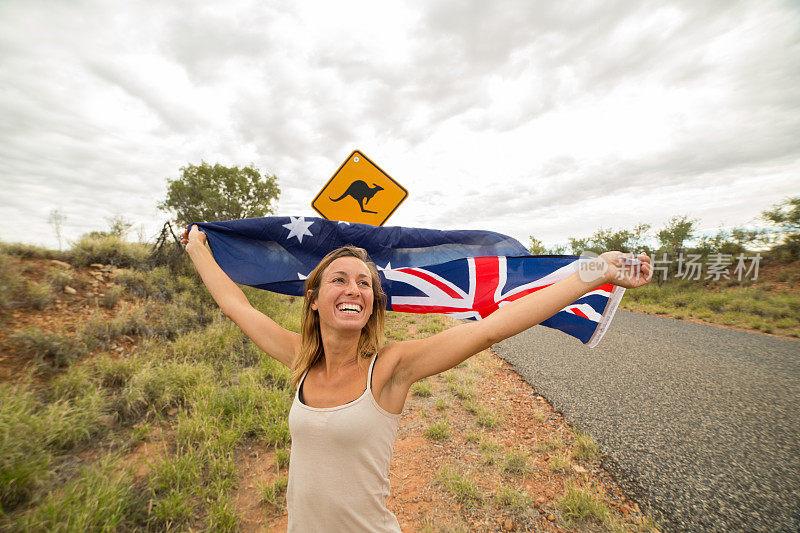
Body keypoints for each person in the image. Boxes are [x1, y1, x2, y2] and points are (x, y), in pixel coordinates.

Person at [181, 225, 652, 532]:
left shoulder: (391, 369)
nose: (353, 289)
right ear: (314, 298)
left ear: (373, 303)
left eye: (364, 283)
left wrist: (594, 271)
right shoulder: (300, 357)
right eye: (339, 280)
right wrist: (198, 248)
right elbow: (236, 305)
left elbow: (493, 326)